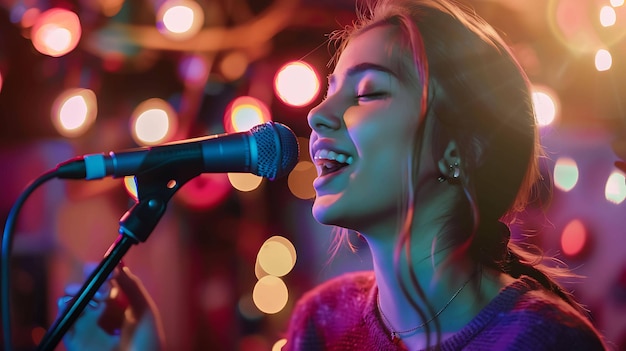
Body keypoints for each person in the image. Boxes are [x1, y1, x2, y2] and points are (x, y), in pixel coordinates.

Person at [58, 0, 610, 350]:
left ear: (460, 148)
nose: (319, 116)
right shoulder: (322, 320)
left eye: (367, 91)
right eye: (328, 92)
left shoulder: (541, 340)